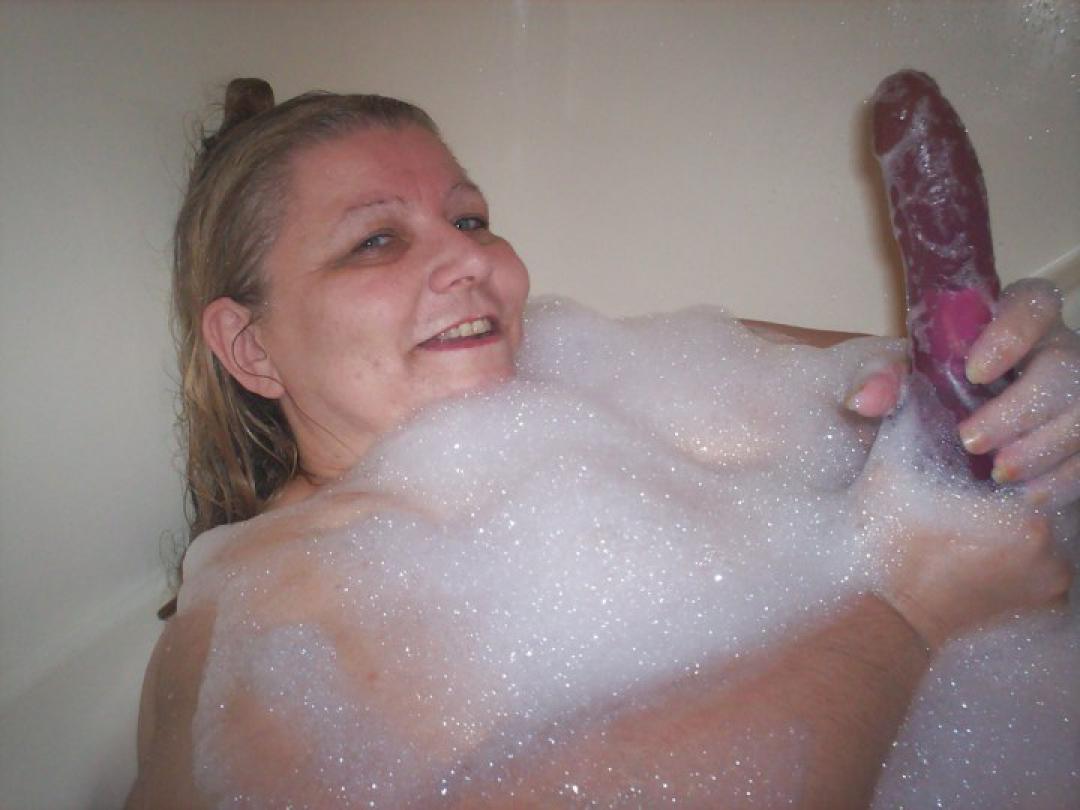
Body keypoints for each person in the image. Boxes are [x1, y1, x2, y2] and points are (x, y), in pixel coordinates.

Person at [127, 79, 1076, 809]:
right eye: (375, 240)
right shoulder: (253, 621)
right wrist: (908, 615)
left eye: (470, 218)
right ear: (251, 349)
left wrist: (1029, 375)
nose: (472, 257)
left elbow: (912, 370)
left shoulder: (586, 364)